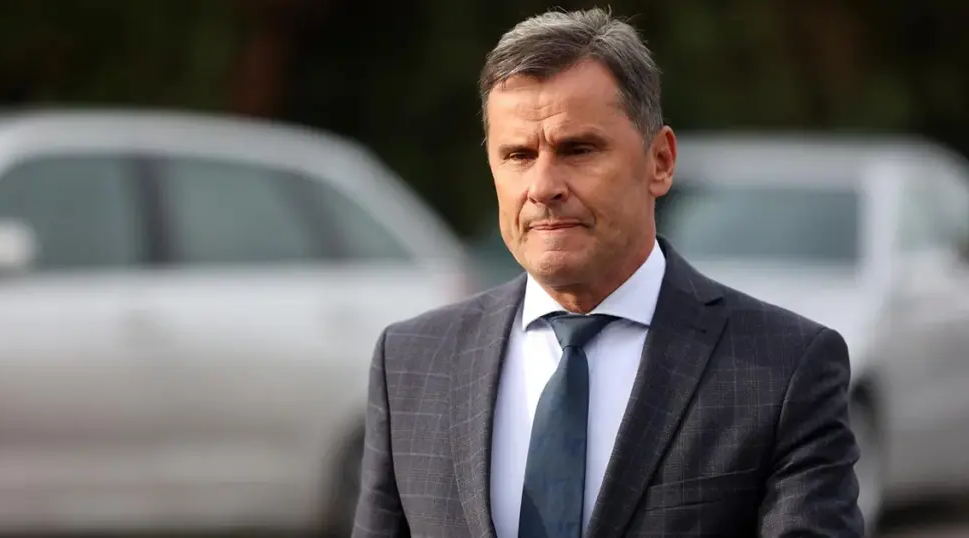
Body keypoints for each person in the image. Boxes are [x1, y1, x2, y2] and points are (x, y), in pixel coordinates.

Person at [352, 7, 864, 538]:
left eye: (577, 149)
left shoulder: (783, 370)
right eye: (518, 155)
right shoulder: (410, 363)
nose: (543, 187)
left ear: (660, 161)